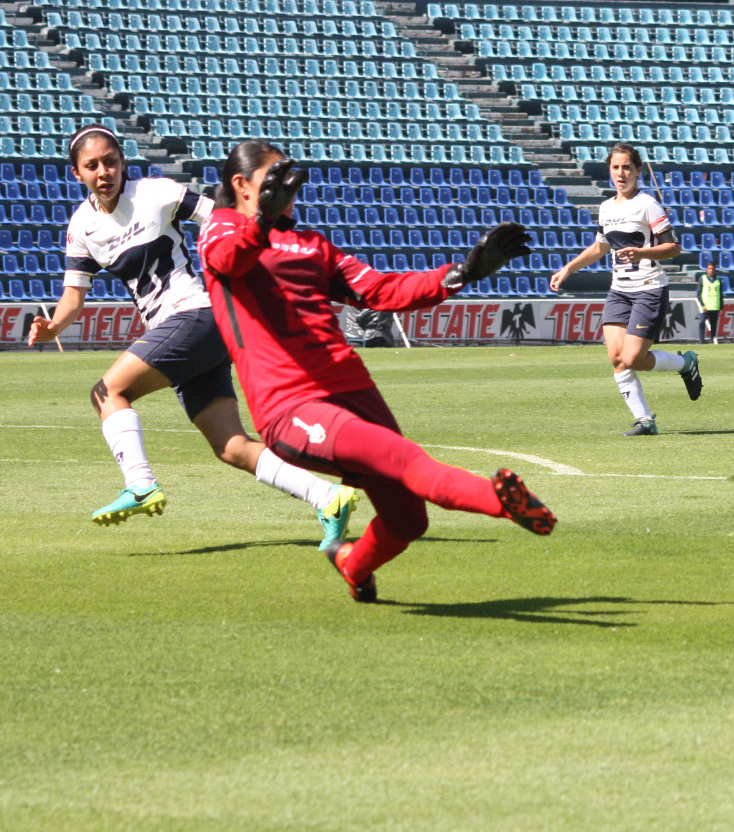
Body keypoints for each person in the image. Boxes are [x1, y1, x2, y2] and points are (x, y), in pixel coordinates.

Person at [199, 140, 555, 603]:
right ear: (241, 186)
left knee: (409, 520)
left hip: (353, 388)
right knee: (406, 460)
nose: (286, 188)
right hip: (292, 406)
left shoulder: (312, 244)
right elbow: (229, 260)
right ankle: (501, 502)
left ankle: (352, 564)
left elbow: (380, 290)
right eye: (274, 179)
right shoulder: (220, 229)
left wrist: (461, 273)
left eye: (289, 179)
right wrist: (262, 222)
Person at [26, 125, 358, 547]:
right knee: (232, 446)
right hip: (189, 333)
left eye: (111, 160)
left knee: (109, 392)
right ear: (77, 174)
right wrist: (54, 324)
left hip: (195, 316)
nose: (104, 171)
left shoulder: (155, 192)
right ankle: (328, 497)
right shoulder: (82, 227)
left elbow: (221, 218)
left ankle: (141, 484)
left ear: (123, 161)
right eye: (92, 165)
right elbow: (73, 297)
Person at [549, 144, 702, 436]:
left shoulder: (648, 204)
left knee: (633, 359)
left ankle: (686, 363)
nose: (621, 173)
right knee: (616, 357)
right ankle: (645, 421)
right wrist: (568, 268)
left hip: (649, 289)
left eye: (627, 167)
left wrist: (642, 253)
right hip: (619, 291)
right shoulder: (607, 208)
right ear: (610, 170)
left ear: (638, 171)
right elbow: (599, 247)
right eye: (616, 167)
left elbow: (673, 247)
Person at [695, 261, 725, 344]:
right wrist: (702, 305)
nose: (711, 270)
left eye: (712, 269)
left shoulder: (718, 280)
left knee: (713, 325)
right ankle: (701, 341)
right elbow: (698, 293)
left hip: (715, 306)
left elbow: (721, 294)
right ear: (707, 270)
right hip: (705, 306)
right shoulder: (703, 278)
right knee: (701, 323)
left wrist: (721, 306)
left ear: (715, 269)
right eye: (709, 269)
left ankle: (711, 340)